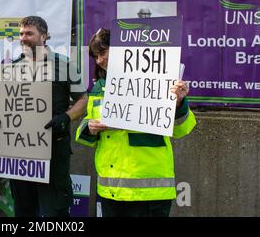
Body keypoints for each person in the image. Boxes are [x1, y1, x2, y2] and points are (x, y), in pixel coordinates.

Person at [76, 28, 196, 217]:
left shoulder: (158, 80)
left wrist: (180, 102)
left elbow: (182, 129)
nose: (99, 60)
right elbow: (86, 130)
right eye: (95, 56)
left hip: (150, 194)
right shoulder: (100, 86)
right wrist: (89, 127)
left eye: (103, 53)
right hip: (111, 191)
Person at [0, 16, 88, 217]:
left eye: (29, 33)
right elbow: (4, 104)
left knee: (56, 211)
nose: (23, 38)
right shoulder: (12, 68)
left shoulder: (63, 65)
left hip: (54, 151)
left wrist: (66, 117)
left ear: (44, 36)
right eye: (21, 34)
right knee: (24, 210)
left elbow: (83, 101)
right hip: (19, 153)